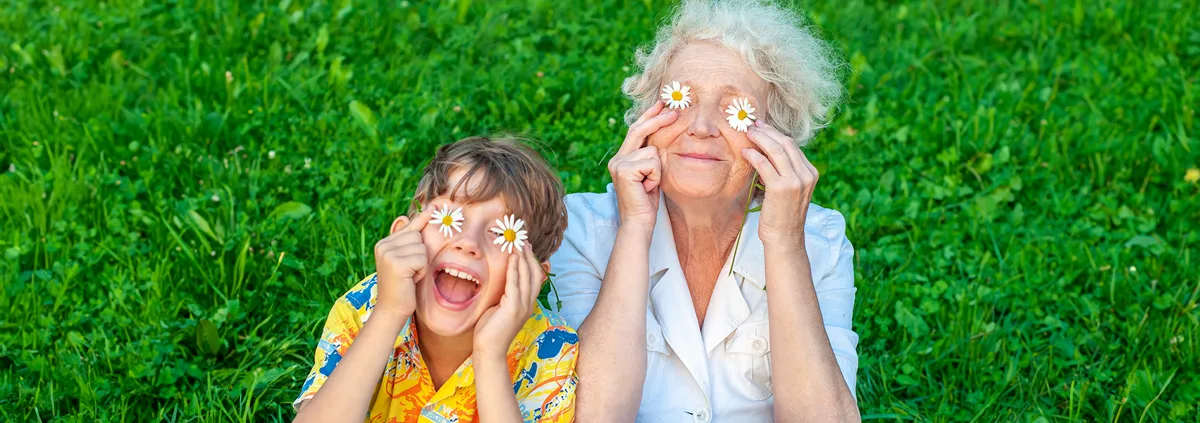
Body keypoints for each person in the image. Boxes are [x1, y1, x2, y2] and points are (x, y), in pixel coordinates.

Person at [548, 1, 860, 421]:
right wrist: (635, 227)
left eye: (737, 109)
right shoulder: (585, 229)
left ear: (777, 136)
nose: (701, 126)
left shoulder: (818, 240)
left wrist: (785, 245)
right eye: (680, 98)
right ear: (647, 120)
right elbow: (590, 416)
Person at [293, 136, 577, 423]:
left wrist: (490, 357)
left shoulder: (549, 351)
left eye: (503, 233)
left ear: (533, 277)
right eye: (449, 217)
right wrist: (389, 313)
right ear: (404, 236)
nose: (468, 242)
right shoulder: (365, 306)